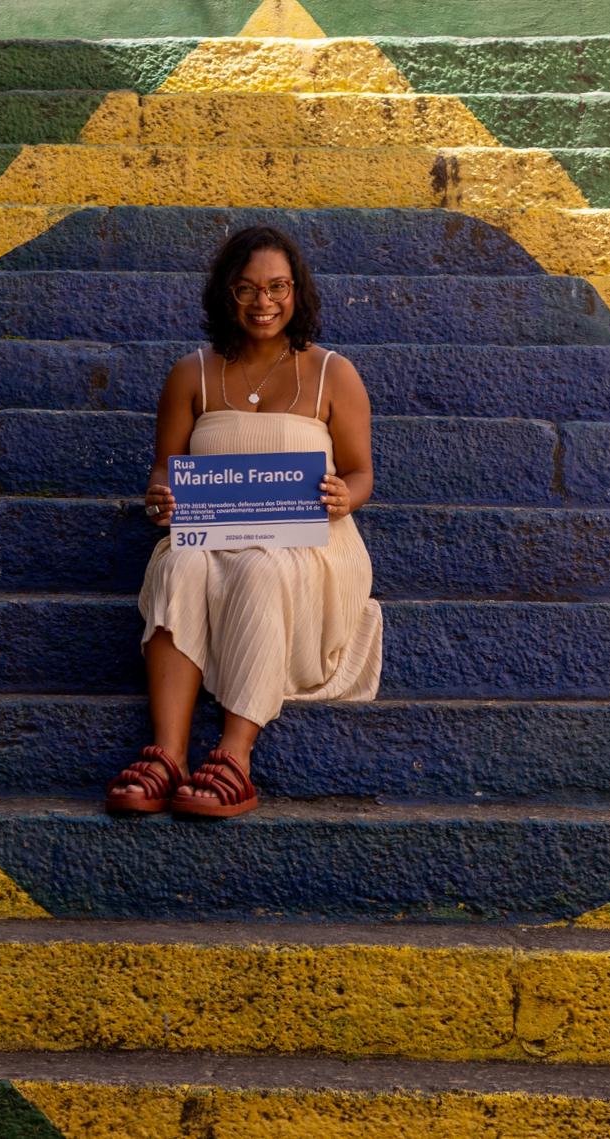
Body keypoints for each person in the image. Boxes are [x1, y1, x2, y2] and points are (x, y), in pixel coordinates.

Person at [105, 225, 383, 819]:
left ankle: (235, 754)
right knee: (177, 563)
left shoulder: (333, 374)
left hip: (309, 549)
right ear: (225, 293)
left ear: (296, 291)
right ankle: (169, 753)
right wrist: (160, 500)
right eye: (247, 289)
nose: (264, 302)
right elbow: (164, 470)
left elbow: (361, 473)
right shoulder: (191, 375)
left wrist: (345, 497)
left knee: (260, 566)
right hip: (211, 540)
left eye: (278, 287)